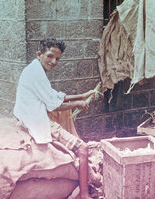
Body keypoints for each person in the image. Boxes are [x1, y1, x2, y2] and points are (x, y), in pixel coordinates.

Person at [13, 38, 94, 199]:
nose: (53, 61)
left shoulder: (35, 69)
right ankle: (84, 194)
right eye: (50, 56)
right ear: (39, 54)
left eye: (57, 59)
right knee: (83, 149)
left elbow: (53, 96)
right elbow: (53, 105)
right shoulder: (35, 73)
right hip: (35, 119)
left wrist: (81, 95)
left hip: (29, 114)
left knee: (63, 113)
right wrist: (77, 103)